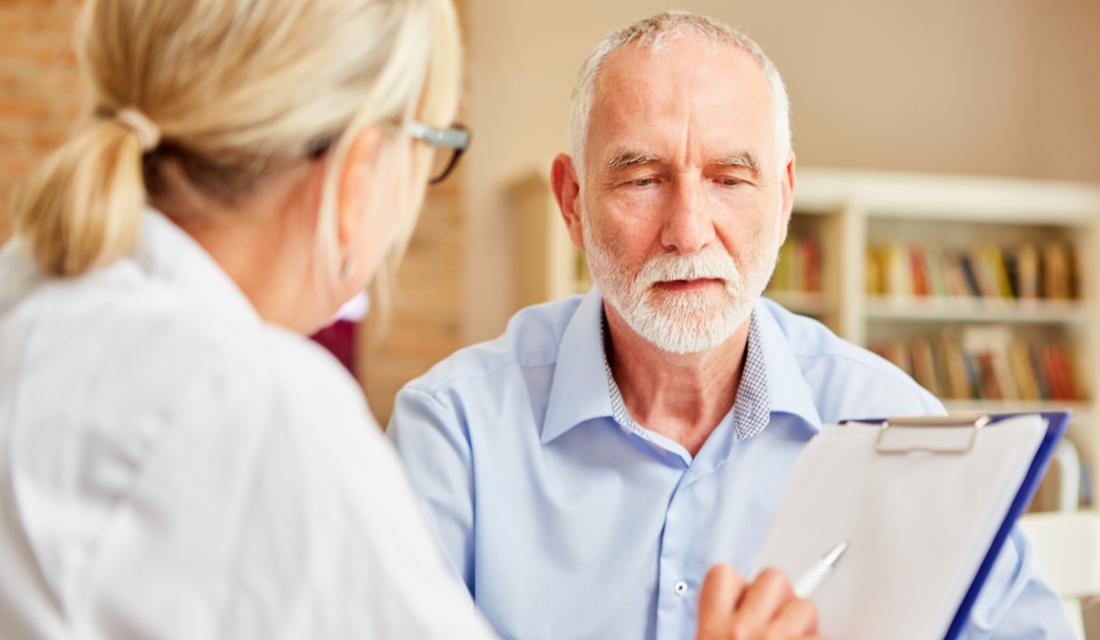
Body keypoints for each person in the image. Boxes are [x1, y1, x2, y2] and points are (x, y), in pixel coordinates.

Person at [0, 1, 823, 638]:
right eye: (433, 146)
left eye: (729, 178)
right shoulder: (261, 409)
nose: (686, 227)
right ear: (362, 168)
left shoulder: (30, 301)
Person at [387, 10, 1073, 640]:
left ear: (782, 199)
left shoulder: (899, 428)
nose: (688, 232)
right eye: (643, 179)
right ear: (571, 202)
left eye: (730, 179)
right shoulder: (456, 431)